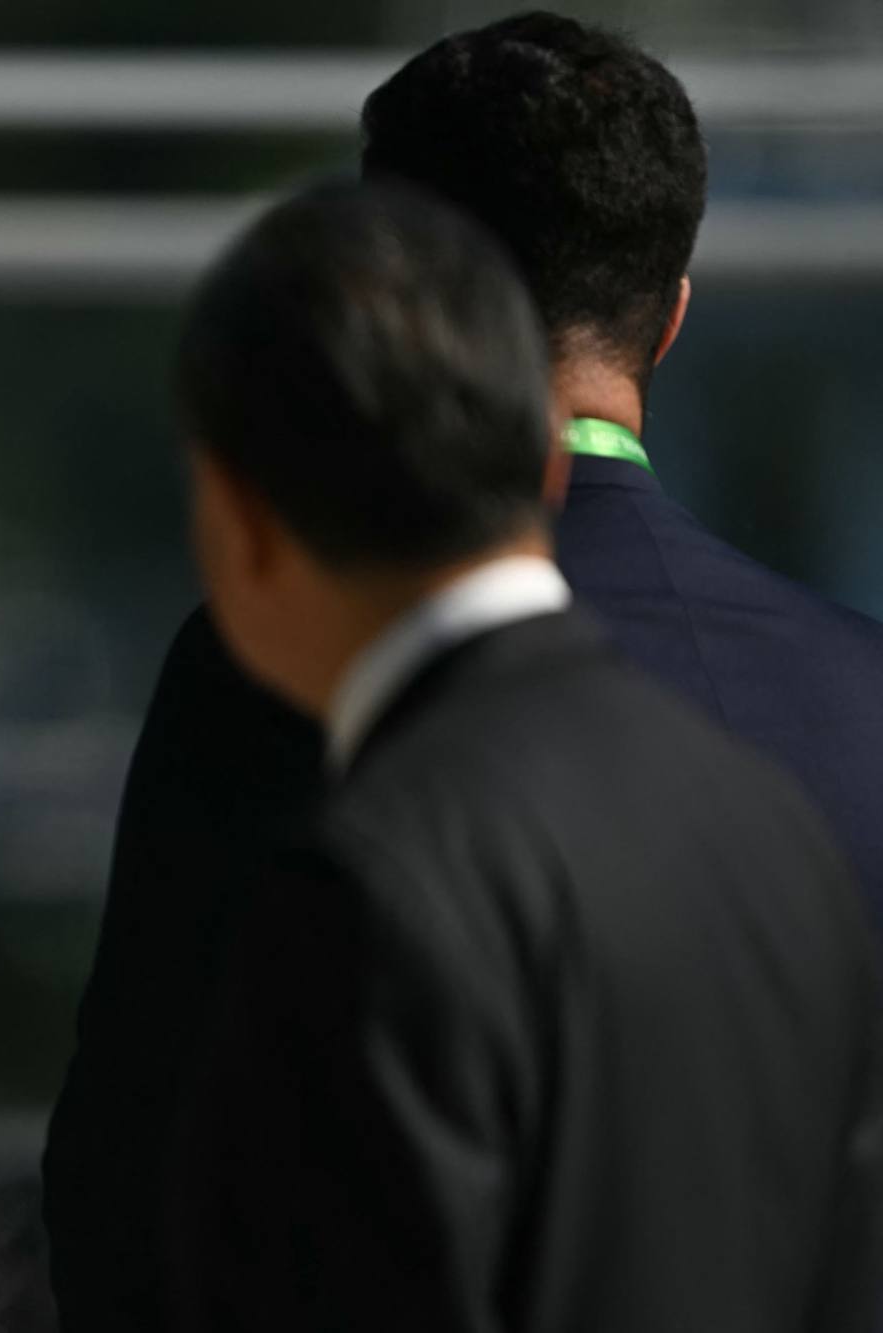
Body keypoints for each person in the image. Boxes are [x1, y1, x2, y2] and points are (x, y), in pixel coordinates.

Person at [44, 15, 883, 1324]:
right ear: (666, 317)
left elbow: (131, 1192)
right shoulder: (855, 695)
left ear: (393, 306)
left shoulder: (286, 666)